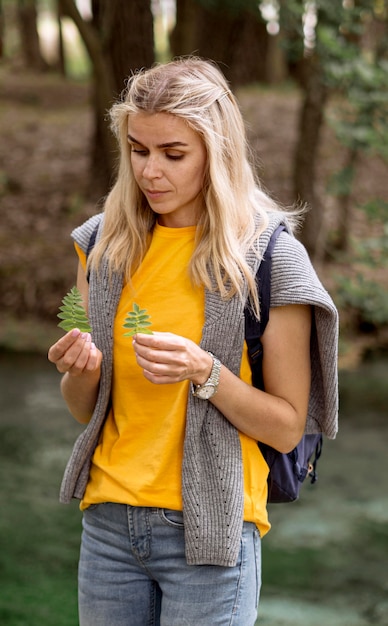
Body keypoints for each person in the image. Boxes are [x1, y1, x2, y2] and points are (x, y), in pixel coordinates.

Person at [48, 57, 338, 626]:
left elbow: (285, 424)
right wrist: (78, 370)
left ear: (217, 152)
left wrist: (207, 372)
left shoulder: (271, 261)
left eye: (173, 154)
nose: (150, 171)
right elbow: (85, 410)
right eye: (138, 150)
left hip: (211, 534)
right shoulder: (102, 248)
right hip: (108, 526)